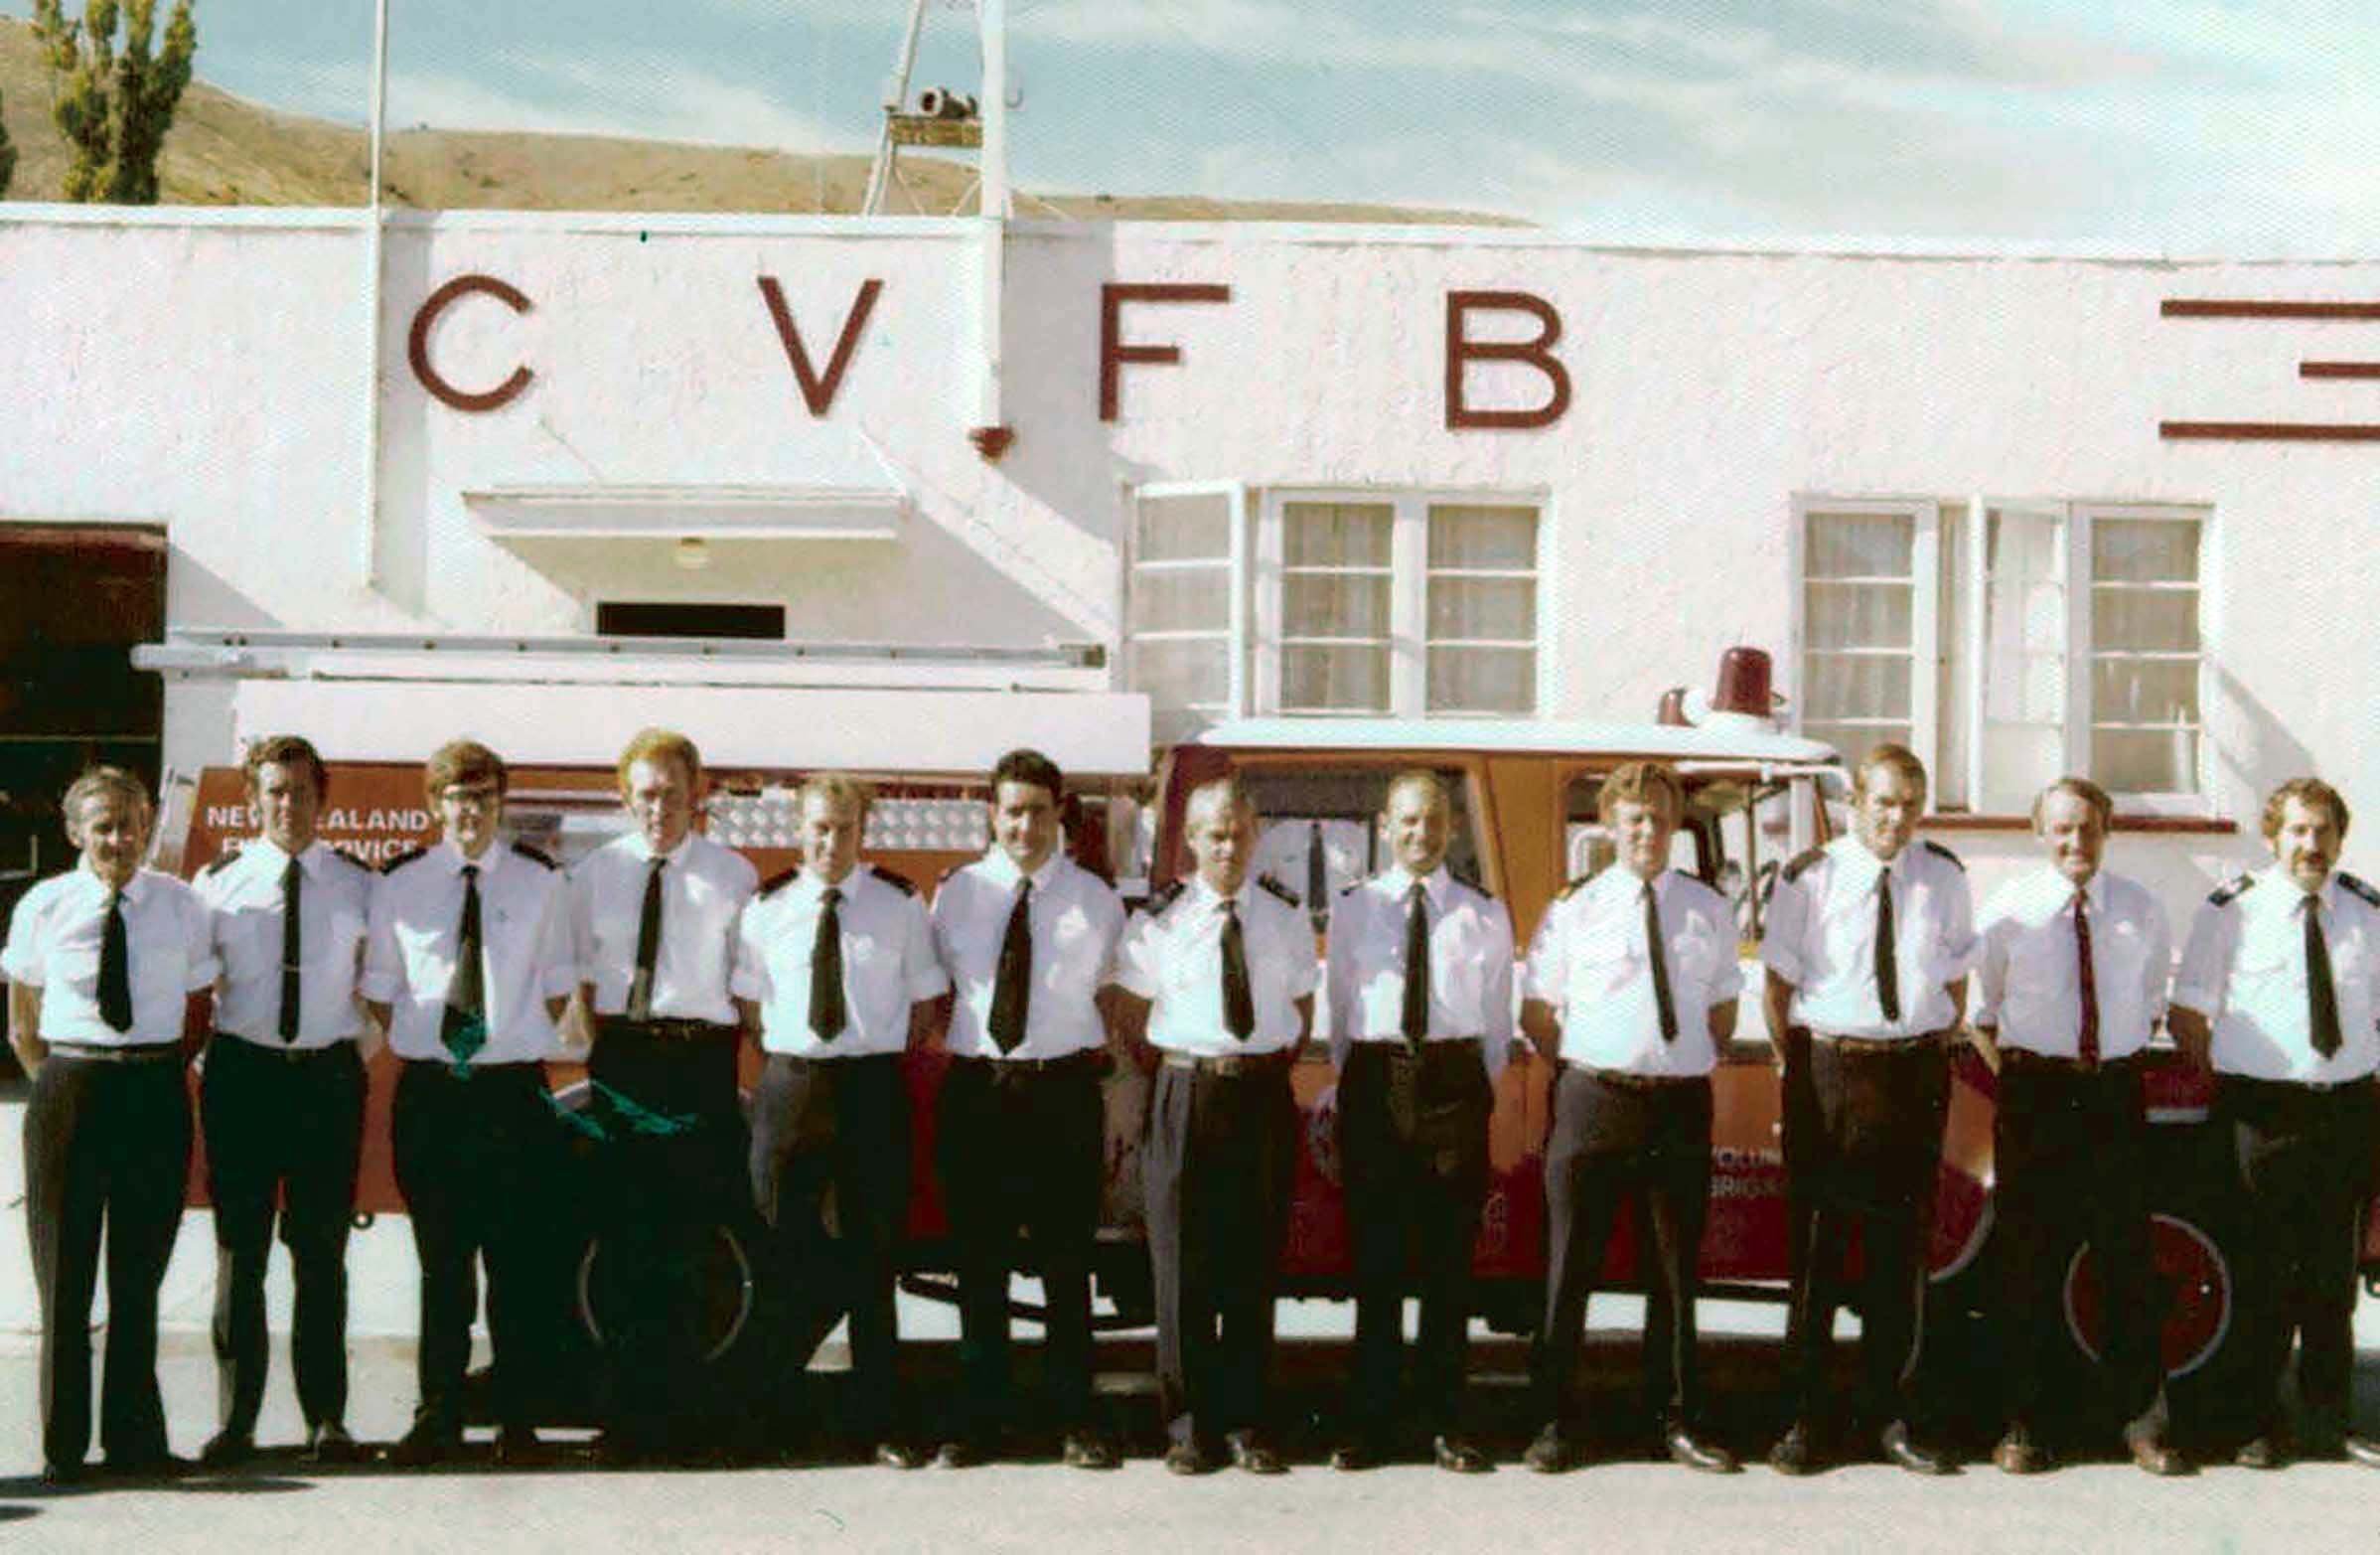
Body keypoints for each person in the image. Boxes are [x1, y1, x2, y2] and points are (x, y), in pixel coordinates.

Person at [1520, 761, 1741, 1476]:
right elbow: (1538, 1012)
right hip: (1595, 1098)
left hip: (1676, 1103)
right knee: (1569, 1266)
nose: (1648, 831)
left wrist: (1670, 1059)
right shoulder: (1576, 907)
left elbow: (1722, 1009)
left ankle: (1675, 1418)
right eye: (1634, 818)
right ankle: (1552, 1421)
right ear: (1610, 826)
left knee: (1676, 1271)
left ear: (1677, 825)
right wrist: (1593, 1061)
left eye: (1660, 818)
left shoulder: (1707, 908)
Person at [1759, 742, 1975, 1476]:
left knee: (1901, 1256)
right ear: (1856, 802)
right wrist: (1804, 1068)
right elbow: (1778, 986)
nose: (1897, 817)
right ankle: (1802, 1421)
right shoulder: (1810, 876)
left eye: (1910, 804)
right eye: (1884, 802)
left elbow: (1954, 980)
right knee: (1817, 1252)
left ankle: (1894, 1417)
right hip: (1831, 1070)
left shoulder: (1942, 876)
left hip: (1912, 1071)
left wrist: (1925, 1042)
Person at [365, 739, 576, 1468]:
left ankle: (518, 1422)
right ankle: (439, 1415)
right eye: (456, 796)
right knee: (442, 1265)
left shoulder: (541, 882)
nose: (470, 810)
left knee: (517, 1265)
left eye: (484, 795)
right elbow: (385, 993)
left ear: (502, 801)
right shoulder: (399, 884)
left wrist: (499, 1044)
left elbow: (555, 984)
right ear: (434, 804)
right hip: (435, 1094)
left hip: (512, 1090)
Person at [3, 767, 217, 1484]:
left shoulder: (183, 907)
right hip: (71, 1088)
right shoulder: (44, 904)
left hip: (152, 1089)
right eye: (103, 826)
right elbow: (23, 1018)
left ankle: (133, 1441)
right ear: (75, 832)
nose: (119, 839)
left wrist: (151, 1069)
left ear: (149, 825)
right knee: (64, 1276)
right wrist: (63, 1081)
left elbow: (197, 1008)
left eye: (130, 823)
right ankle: (65, 1448)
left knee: (138, 1277)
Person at [1971, 776, 2185, 1477]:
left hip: (2113, 1093)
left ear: (2107, 829)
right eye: (2061, 828)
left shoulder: (2140, 910)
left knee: (2126, 1258)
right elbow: (1983, 1011)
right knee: (2028, 1260)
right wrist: (2027, 1077)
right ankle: (2025, 1422)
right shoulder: (2008, 909)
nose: (2075, 841)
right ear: (2039, 834)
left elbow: (2152, 998)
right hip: (2037, 1093)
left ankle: (2144, 1423)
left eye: (2088, 827)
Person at [735, 774, 947, 1469]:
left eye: (845, 828)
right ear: (799, 828)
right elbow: (752, 1009)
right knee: (780, 1252)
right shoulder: (766, 908)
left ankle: (879, 1419)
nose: (831, 841)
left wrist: (865, 1059)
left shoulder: (899, 905)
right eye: (819, 827)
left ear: (865, 830)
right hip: (793, 1088)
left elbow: (923, 1008)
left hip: (868, 1093)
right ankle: (769, 1411)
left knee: (871, 1261)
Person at [2169, 777, 2380, 1471]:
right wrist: (2231, 1082)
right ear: (2272, 836)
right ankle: (2255, 1423)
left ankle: (2326, 1420)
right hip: (2261, 1111)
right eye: (2296, 830)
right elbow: (2189, 1014)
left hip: (2345, 1108)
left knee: (2330, 1277)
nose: (2310, 844)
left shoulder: (2366, 912)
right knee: (2258, 1272)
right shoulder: (2234, 911)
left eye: (2322, 830)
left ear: (2339, 838)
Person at [1110, 773, 1317, 1476]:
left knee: (1253, 1264)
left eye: (1238, 831)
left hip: (1258, 1096)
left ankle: (1250, 1422)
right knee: (1182, 1266)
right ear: (1191, 841)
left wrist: (1252, 1065)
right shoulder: (1160, 920)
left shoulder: (1285, 915)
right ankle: (1189, 1424)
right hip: (1186, 1092)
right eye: (1213, 833)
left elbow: (1299, 1010)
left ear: (1255, 834)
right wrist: (1177, 1073)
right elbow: (1131, 1016)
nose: (1227, 845)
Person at [927, 748, 1126, 1470]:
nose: (1025, 825)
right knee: (977, 1265)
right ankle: (979, 1420)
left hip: (1062, 1093)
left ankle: (1074, 1419)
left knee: (1066, 1265)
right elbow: (941, 995)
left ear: (1060, 811)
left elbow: (1111, 1001)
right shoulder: (956, 894)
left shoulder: (1096, 900)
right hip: (981, 1092)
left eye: (1038, 810)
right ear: (992, 814)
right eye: (1011, 810)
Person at [566, 728, 758, 1465]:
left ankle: (690, 1417)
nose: (658, 807)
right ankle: (629, 1416)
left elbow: (745, 981)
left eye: (671, 792)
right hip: (625, 1058)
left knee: (693, 1238)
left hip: (698, 1061)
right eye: (644, 793)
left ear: (696, 792)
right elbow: (582, 977)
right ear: (625, 796)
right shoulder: (594, 874)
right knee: (624, 1239)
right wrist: (601, 1050)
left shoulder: (734, 875)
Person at [191, 735, 376, 1468]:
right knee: (243, 1252)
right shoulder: (217, 882)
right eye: (274, 791)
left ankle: (326, 1418)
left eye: (301, 790)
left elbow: (381, 982)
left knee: (322, 1253)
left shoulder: (359, 883)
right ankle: (235, 1422)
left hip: (326, 1079)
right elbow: (198, 990)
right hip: (244, 1077)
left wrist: (344, 1055)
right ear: (253, 799)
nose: (288, 804)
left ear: (321, 798)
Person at [1323, 769, 1512, 1474]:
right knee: (1375, 1261)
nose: (1420, 833)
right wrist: (1372, 1080)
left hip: (1454, 1084)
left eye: (1433, 820)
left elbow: (1496, 1020)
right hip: (1377, 1082)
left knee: (1446, 1265)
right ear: (1384, 828)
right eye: (1407, 820)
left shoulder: (1482, 913)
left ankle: (1445, 1422)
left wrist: (1457, 1084)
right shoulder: (1353, 908)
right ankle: (1370, 1423)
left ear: (1452, 828)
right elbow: (1340, 1012)